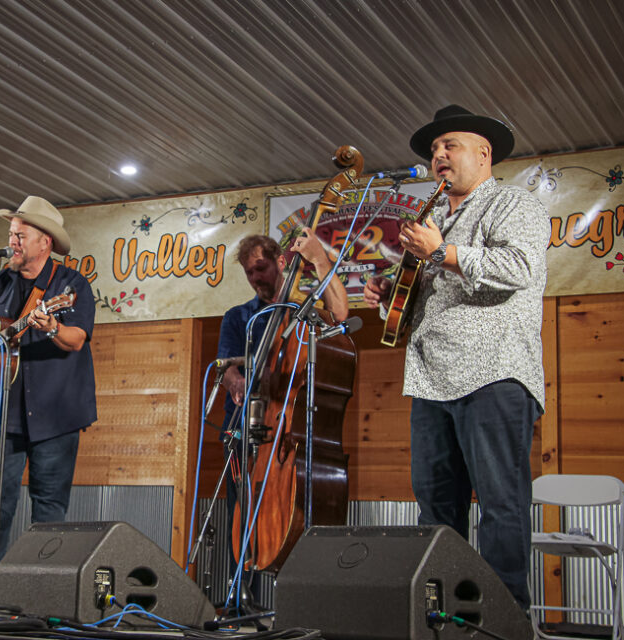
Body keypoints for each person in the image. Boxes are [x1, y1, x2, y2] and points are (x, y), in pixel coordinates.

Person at [363, 104, 550, 610]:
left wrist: (439, 252)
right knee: (436, 511)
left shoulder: (514, 203)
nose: (437, 156)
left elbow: (518, 267)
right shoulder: (433, 221)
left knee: (500, 505)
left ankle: (505, 618)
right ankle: (444, 613)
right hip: (430, 382)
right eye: (433, 151)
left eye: (449, 145)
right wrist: (392, 297)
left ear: (484, 154)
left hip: (493, 375)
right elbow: (423, 305)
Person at [0, 195, 96, 593]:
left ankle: (46, 590)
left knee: (49, 507)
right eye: (11, 234)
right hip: (2, 410)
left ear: (45, 242)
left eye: (20, 235)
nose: (13, 241)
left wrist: (51, 328)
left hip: (57, 411)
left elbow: (76, 339)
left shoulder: (70, 286)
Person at [214, 230, 350, 592]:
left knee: (294, 516)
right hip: (245, 427)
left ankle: (296, 596)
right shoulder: (239, 316)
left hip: (290, 434)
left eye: (261, 268)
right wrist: (236, 382)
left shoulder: (305, 314)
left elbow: (339, 315)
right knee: (240, 515)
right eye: (249, 273)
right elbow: (225, 364)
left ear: (282, 262)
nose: (256, 278)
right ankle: (238, 592)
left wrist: (319, 259)